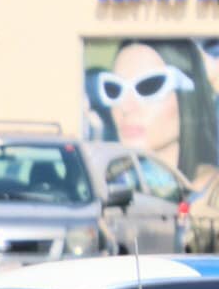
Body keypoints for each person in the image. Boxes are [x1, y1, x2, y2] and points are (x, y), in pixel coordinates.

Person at [92, 39, 219, 190]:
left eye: (149, 86)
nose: (126, 107)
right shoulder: (102, 185)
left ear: (187, 99)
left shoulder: (207, 190)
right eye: (114, 89)